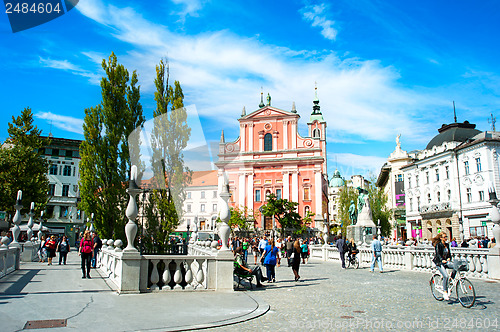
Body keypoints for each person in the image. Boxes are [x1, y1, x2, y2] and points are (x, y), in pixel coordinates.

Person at [432, 233, 453, 300]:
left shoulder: (447, 245)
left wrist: (449, 258)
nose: (446, 238)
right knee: (445, 276)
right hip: (439, 262)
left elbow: (449, 254)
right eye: (444, 237)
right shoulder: (438, 245)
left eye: (446, 237)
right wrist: (442, 260)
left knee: (456, 266)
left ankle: (451, 280)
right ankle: (445, 292)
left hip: (446, 262)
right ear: (441, 238)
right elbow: (438, 254)